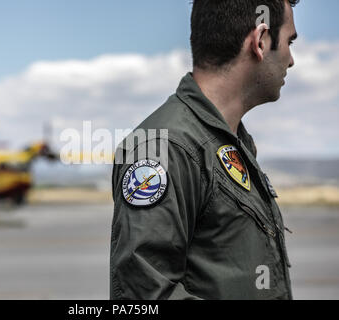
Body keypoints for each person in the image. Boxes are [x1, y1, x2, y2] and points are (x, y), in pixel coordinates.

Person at [110, 0, 299, 300]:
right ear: (260, 41)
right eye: (289, 41)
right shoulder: (165, 147)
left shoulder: (229, 143)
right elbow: (144, 296)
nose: (291, 60)